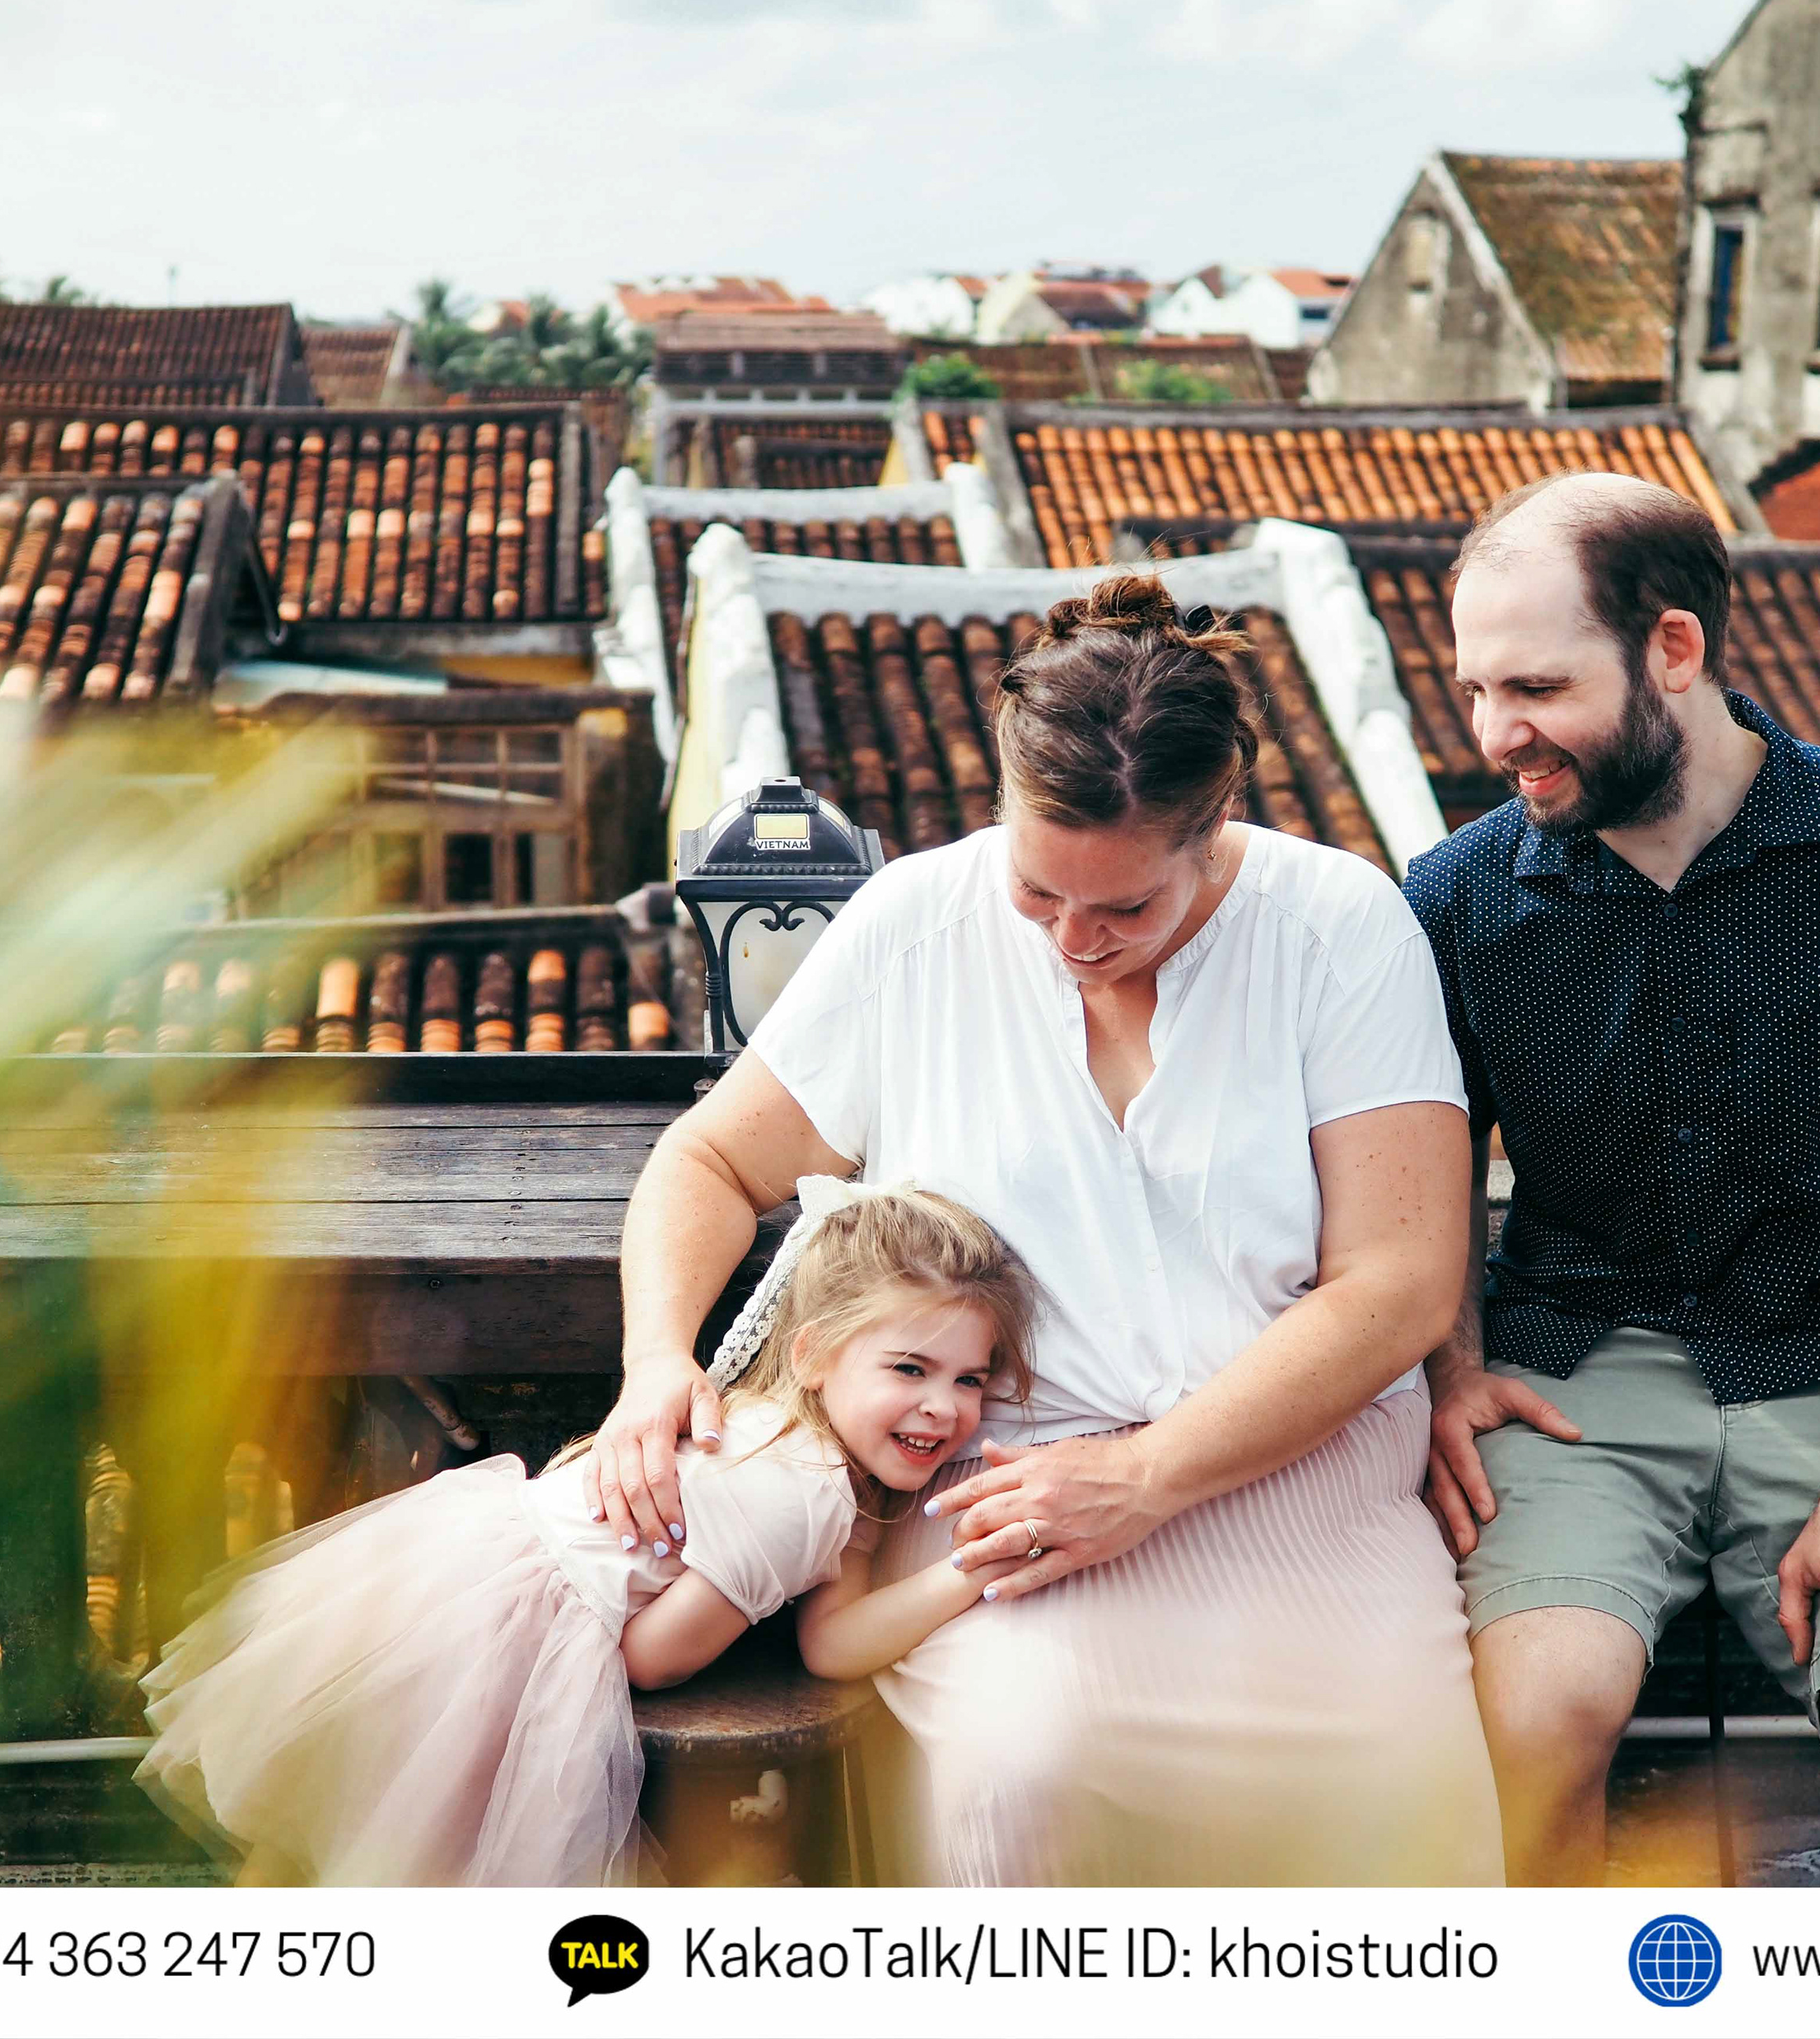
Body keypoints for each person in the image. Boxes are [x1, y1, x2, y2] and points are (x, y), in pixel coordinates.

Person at [588, 575, 1502, 1885]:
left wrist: (1149, 1478)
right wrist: (657, 1358)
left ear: (1215, 822)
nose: (1075, 939)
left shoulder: (1340, 927)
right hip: (993, 1505)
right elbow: (710, 1158)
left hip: (1299, 1476)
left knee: (1398, 1807)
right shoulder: (914, 920)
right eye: (1039, 894)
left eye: (1126, 908)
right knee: (1020, 1777)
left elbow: (1403, 1284)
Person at [1406, 472, 1820, 1886]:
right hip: (1577, 1378)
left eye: (1534, 685)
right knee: (1529, 1737)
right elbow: (1425, 1179)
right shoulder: (1454, 897)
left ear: (1676, 650)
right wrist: (1454, 1367)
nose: (1492, 736)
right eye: (1473, 689)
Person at [134, 1181, 1037, 1885]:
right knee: (411, 1860)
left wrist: (964, 1569)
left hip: (459, 1565)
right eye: (910, 1367)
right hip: (506, 1640)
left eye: (970, 1378)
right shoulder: (802, 1498)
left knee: (323, 1847)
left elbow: (834, 1639)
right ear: (812, 1353)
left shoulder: (785, 1437)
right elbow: (653, 1659)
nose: (943, 1407)